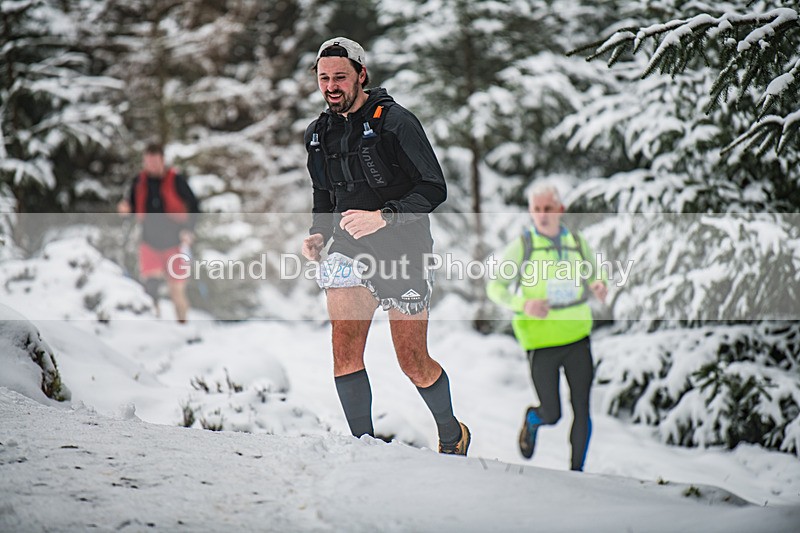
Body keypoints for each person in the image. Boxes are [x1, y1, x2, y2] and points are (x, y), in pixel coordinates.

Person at [301, 37, 470, 455]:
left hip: (405, 249)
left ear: (361, 74)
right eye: (324, 78)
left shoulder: (396, 122)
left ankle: (452, 434)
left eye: (340, 76)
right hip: (348, 248)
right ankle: (364, 447)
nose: (332, 86)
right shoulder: (318, 134)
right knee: (344, 348)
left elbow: (434, 188)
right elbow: (324, 194)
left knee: (412, 360)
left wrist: (383, 216)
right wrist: (320, 233)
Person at [487, 182, 607, 471]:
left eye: (548, 209)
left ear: (560, 210)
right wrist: (523, 305)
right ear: (531, 212)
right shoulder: (524, 246)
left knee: (582, 409)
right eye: (537, 209)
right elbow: (495, 287)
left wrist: (599, 283)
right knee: (552, 413)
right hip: (540, 341)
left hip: (577, 335)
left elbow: (596, 271)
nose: (542, 215)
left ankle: (577, 471)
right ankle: (534, 419)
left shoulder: (577, 242)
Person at [117, 143, 199, 323]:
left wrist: (189, 230)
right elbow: (131, 207)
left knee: (176, 290)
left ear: (162, 161)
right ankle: (154, 325)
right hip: (149, 242)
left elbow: (194, 206)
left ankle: (183, 324)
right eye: (147, 162)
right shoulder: (139, 182)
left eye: (154, 162)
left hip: (175, 244)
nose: (151, 166)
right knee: (150, 288)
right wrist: (125, 209)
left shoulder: (176, 180)